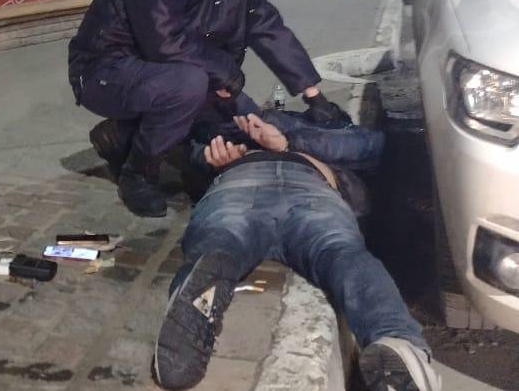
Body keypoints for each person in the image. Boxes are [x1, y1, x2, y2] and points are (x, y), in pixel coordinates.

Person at [67, 0, 349, 218]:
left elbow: (261, 20)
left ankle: (123, 135)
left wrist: (312, 93)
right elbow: (163, 41)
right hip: (108, 69)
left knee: (244, 125)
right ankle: (138, 171)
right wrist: (223, 74)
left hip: (181, 68)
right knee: (188, 88)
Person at [154, 112, 441, 391]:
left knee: (222, 243)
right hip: (285, 184)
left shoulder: (304, 125)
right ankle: (398, 341)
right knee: (343, 255)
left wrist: (287, 142)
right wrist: (209, 156)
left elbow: (374, 145)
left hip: (263, 185)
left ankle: (199, 293)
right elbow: (188, 149)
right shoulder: (230, 125)